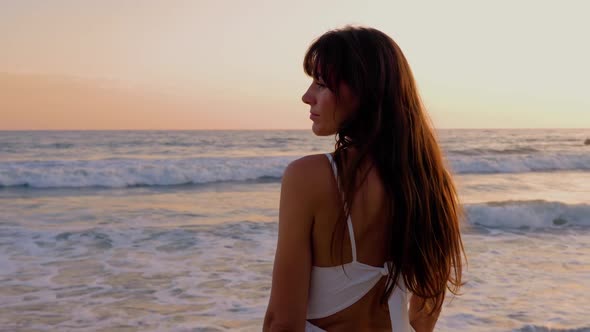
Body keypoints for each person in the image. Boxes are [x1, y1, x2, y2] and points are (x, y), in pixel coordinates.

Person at [263, 26, 465, 332]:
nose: (307, 97)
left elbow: (282, 322)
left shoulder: (308, 178)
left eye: (321, 84)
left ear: (362, 93)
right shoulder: (428, 183)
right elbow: (425, 313)